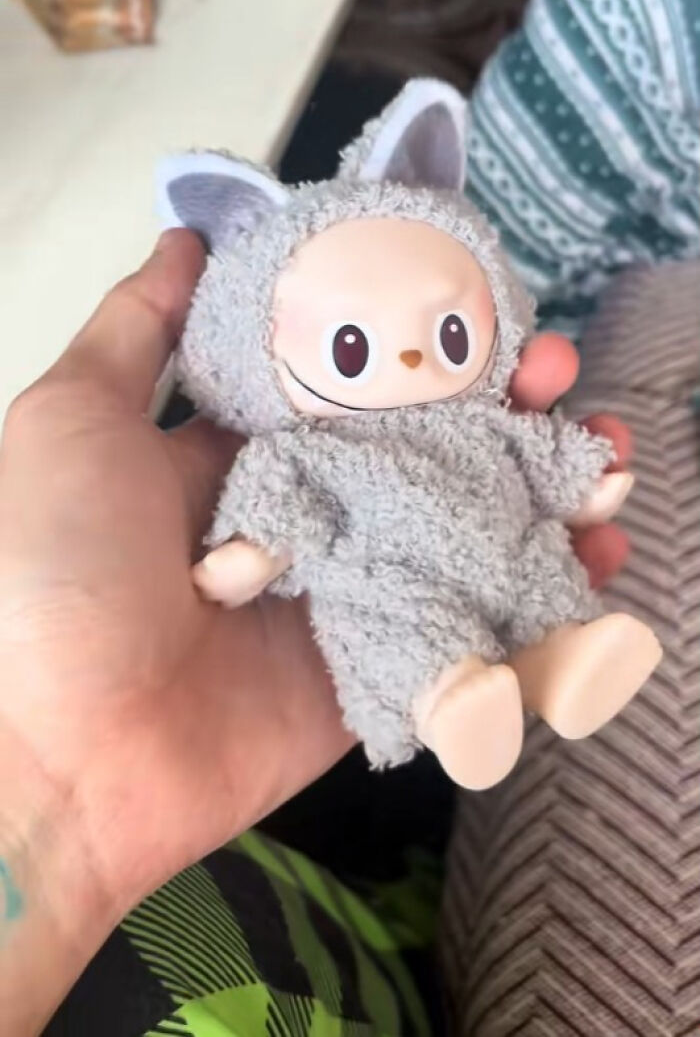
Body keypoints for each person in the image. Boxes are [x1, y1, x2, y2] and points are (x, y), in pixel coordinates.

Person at [0, 228, 631, 1036]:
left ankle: (564, 657)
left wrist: (589, 484)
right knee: (395, 632)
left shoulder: (485, 426)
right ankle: (447, 701)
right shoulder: (310, 452)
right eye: (352, 346)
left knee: (547, 575)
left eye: (447, 332)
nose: (413, 359)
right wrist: (245, 559)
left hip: (509, 548)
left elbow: (545, 458)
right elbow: (274, 508)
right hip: (389, 584)